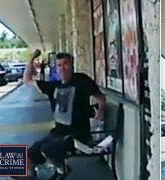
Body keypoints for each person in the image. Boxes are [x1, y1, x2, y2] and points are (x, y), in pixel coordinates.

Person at [18, 50, 106, 179]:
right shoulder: (54, 86)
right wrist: (32, 58)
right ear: (56, 69)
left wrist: (99, 119)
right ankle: (26, 174)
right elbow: (27, 80)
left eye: (66, 64)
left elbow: (101, 98)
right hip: (57, 133)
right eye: (59, 65)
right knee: (27, 155)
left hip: (77, 135)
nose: (62, 68)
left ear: (72, 66)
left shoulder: (81, 80)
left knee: (47, 149)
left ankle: (62, 170)